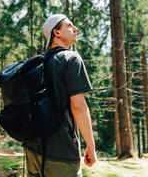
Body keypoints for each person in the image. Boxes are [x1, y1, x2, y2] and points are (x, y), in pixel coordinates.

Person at [25, 14, 97, 177]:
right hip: (61, 152)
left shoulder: (36, 63)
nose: (75, 28)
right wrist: (90, 146)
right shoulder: (71, 59)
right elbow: (78, 107)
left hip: (32, 150)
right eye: (69, 25)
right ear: (56, 32)